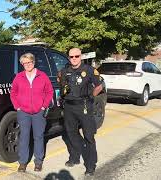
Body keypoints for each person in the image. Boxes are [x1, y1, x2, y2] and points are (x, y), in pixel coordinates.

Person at [58, 48, 103, 176]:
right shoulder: (64, 70)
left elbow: (99, 85)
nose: (74, 59)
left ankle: (90, 165)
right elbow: (60, 82)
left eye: (76, 56)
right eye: (71, 57)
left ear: (81, 56)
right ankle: (75, 157)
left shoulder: (89, 70)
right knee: (71, 134)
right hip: (69, 107)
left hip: (84, 106)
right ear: (68, 57)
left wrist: (91, 97)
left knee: (88, 136)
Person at [10, 53, 53, 172]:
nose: (27, 65)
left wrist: (44, 106)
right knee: (24, 137)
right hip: (23, 112)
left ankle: (38, 161)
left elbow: (49, 91)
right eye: (24, 63)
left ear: (33, 62)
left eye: (29, 62)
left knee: (38, 137)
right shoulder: (19, 77)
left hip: (39, 112)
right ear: (22, 64)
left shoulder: (42, 76)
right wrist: (17, 106)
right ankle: (23, 162)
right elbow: (13, 93)